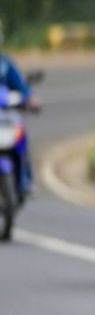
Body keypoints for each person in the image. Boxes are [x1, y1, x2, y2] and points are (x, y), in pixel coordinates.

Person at [0, 19, 37, 201]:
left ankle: (25, 180)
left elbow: (21, 86)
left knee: (22, 137)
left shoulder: (5, 63)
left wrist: (30, 99)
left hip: (5, 116)